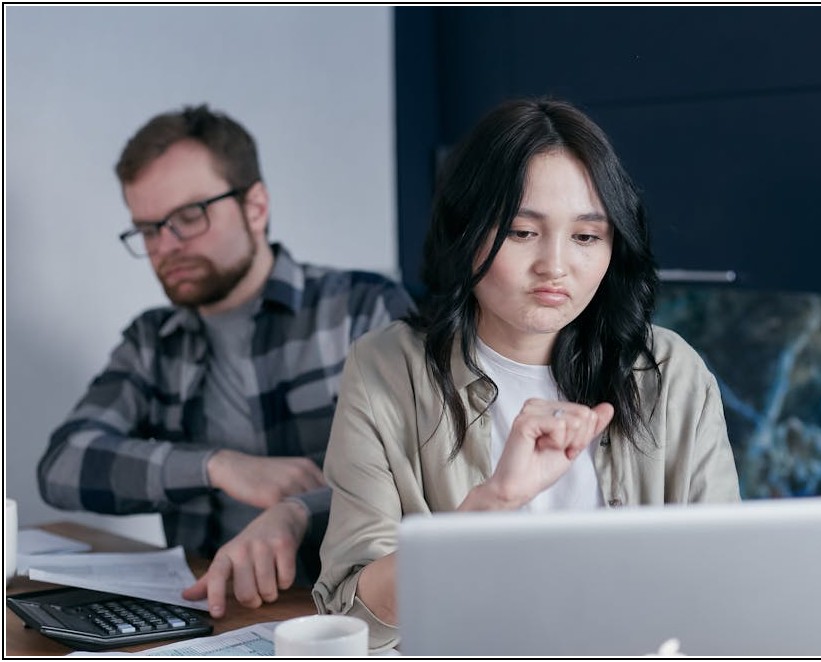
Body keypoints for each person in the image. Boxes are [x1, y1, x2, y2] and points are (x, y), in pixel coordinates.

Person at [312, 98, 741, 652]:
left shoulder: (670, 373)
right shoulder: (385, 370)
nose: (555, 266)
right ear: (464, 230)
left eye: (586, 236)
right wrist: (490, 506)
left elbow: (726, 586)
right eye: (521, 232)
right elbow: (353, 611)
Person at [37, 104, 415, 619]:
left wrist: (299, 511)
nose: (165, 247)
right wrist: (218, 466)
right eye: (147, 229)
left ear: (255, 206)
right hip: (211, 613)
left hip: (346, 616)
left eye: (189, 217)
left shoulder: (362, 308)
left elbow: (418, 478)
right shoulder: (153, 340)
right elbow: (63, 464)